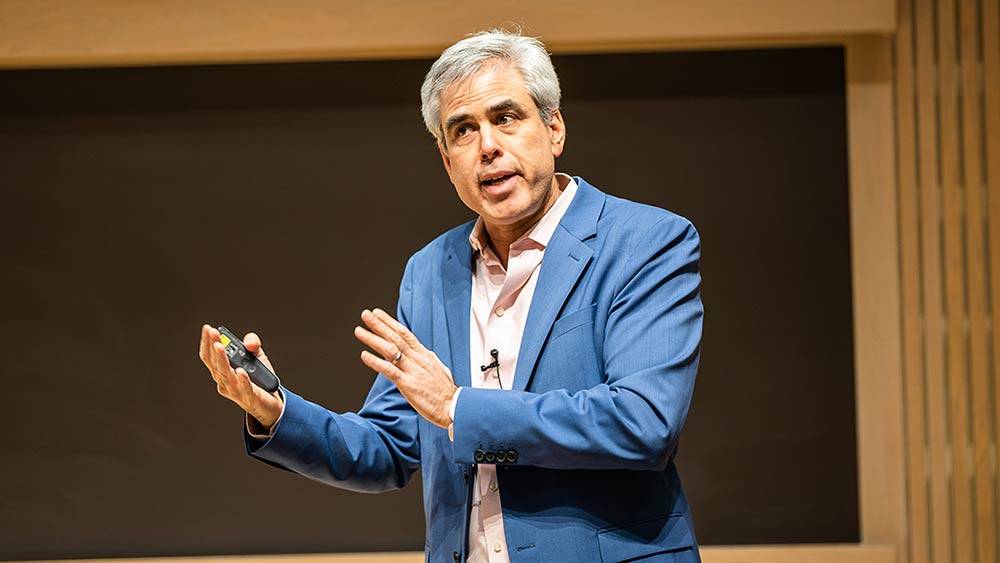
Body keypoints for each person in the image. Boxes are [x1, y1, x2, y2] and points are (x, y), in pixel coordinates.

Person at [199, 29, 703, 563]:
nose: (488, 146)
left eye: (506, 117)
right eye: (463, 130)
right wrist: (274, 412)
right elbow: (387, 448)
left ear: (554, 127)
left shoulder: (646, 241)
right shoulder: (429, 272)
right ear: (446, 160)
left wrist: (458, 407)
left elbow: (643, 423)